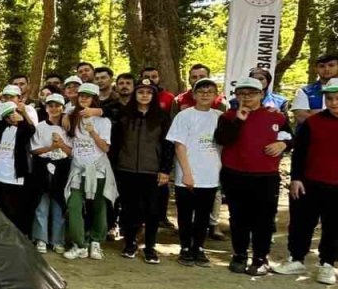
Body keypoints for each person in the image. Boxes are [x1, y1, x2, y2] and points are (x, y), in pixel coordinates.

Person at [273, 79, 338, 285]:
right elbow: (300, 153)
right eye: (329, 98)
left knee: (336, 227)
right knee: (301, 224)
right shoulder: (313, 122)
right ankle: (296, 258)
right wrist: (296, 178)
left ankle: (327, 264)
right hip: (309, 183)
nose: (334, 103)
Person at [214, 78, 290, 275]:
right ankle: (239, 254)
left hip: (266, 175)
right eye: (242, 94)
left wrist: (284, 145)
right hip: (235, 173)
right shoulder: (228, 116)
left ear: (261, 94)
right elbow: (223, 139)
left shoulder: (277, 117)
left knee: (263, 219)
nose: (246, 97)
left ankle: (260, 257)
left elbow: (290, 137)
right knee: (238, 217)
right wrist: (240, 119)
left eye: (251, 93)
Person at [111, 80, 173, 264]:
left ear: (154, 96)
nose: (144, 95)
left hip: (152, 171)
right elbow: (115, 143)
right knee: (130, 209)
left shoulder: (162, 117)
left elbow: (168, 145)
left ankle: (150, 247)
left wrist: (164, 169)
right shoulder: (124, 116)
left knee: (152, 210)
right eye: (141, 92)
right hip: (127, 169)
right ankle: (130, 243)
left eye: (149, 92)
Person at [166, 77, 223, 266]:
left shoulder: (219, 117)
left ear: (215, 95)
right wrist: (187, 172)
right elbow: (179, 145)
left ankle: (198, 247)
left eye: (209, 92)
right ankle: (184, 247)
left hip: (210, 174)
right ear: (194, 94)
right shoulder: (184, 116)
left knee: (203, 215)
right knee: (185, 213)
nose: (205, 95)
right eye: (201, 92)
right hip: (188, 172)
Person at [63, 84, 117, 261]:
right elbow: (72, 147)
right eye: (81, 96)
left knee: (99, 207)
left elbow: (105, 147)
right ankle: (79, 244)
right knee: (74, 206)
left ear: (94, 99)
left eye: (88, 96)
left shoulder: (104, 121)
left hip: (99, 170)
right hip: (78, 170)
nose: (83, 99)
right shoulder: (72, 119)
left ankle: (96, 241)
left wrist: (92, 131)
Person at [0, 101, 36, 233]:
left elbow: (32, 129)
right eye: (8, 116)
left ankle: (17, 235)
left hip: (14, 175)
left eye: (13, 113)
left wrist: (23, 114)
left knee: (14, 208)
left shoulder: (23, 129)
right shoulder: (3, 127)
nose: (11, 117)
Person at [31, 94, 72, 253]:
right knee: (42, 204)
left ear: (62, 107)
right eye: (50, 105)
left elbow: (72, 152)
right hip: (42, 166)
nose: (54, 108)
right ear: (46, 107)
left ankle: (57, 240)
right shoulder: (40, 126)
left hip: (62, 167)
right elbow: (34, 149)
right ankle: (41, 238)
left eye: (57, 105)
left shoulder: (67, 127)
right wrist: (51, 148)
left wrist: (60, 145)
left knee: (59, 204)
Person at [291, 53, 338, 125]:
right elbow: (301, 117)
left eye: (331, 65)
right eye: (322, 66)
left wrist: (316, 112)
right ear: (316, 69)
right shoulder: (305, 91)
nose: (326, 69)